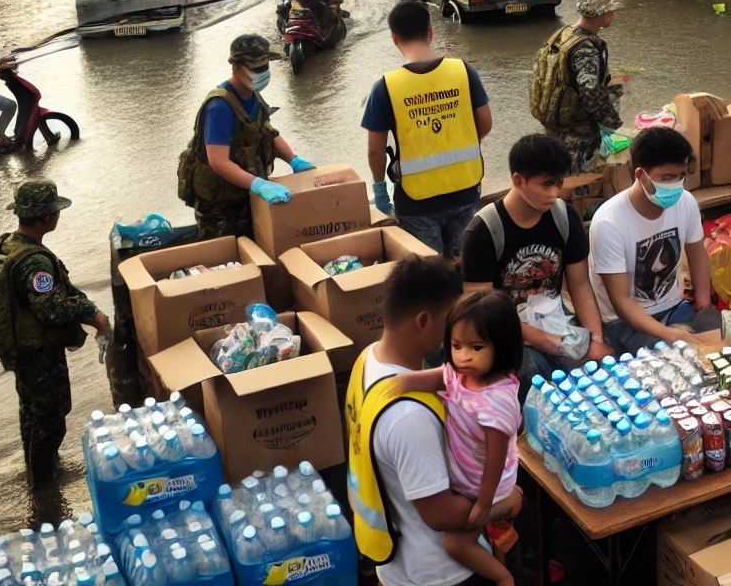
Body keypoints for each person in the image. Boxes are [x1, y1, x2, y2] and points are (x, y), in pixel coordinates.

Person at [345, 256, 523, 586]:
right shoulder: (410, 418)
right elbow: (442, 514)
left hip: (397, 564)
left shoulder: (367, 360)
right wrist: (508, 502)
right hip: (439, 572)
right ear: (425, 321)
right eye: (451, 320)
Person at [386, 293, 524, 586]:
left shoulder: (496, 403)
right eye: (456, 346)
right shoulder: (461, 374)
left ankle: (504, 576)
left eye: (476, 347)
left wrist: (484, 504)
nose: (463, 356)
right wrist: (402, 382)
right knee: (476, 532)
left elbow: (497, 456)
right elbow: (440, 376)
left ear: (502, 345)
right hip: (468, 474)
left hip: (486, 484)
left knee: (455, 544)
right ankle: (500, 538)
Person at [0, 180, 110, 486]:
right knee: (49, 419)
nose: (57, 216)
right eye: (54, 211)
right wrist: (92, 313)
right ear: (45, 218)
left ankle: (37, 478)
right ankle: (44, 488)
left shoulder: (6, 244)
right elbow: (51, 311)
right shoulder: (35, 261)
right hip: (38, 354)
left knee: (30, 414)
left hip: (19, 348)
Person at [461, 135, 612, 388]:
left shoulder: (565, 217)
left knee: (599, 372)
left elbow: (580, 285)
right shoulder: (482, 232)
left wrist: (595, 340)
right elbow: (480, 312)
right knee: (534, 377)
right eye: (546, 184)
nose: (554, 193)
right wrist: (548, 342)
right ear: (518, 180)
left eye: (559, 183)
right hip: (507, 331)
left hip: (554, 316)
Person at [364, 1, 493, 259]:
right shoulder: (463, 71)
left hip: (416, 201)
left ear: (394, 38)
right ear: (431, 31)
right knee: (465, 266)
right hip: (465, 190)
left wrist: (380, 192)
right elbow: (486, 123)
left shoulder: (385, 88)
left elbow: (375, 151)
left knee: (431, 277)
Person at [589, 127, 720, 352]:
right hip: (625, 322)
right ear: (641, 175)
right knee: (670, 362)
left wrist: (703, 306)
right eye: (667, 178)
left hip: (674, 307)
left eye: (681, 176)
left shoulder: (685, 202)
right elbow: (621, 302)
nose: (676, 185)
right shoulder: (609, 223)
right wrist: (670, 334)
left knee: (722, 338)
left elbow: (697, 255)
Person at [176, 34, 313, 237]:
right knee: (230, 257)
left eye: (265, 67)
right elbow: (218, 161)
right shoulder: (219, 107)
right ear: (236, 67)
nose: (262, 73)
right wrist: (259, 184)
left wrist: (294, 160)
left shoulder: (253, 96)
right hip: (219, 206)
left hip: (246, 195)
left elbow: (267, 132)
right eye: (256, 69)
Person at [531, 0, 625, 172]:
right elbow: (591, 93)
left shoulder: (564, 34)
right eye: (611, 9)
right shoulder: (586, 48)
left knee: (555, 173)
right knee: (574, 184)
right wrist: (612, 124)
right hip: (576, 134)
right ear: (600, 10)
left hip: (553, 127)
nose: (613, 14)